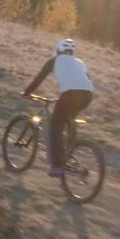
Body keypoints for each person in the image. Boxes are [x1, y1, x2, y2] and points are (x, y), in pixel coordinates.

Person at [23, 39, 94, 178]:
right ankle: (68, 152)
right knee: (69, 120)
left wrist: (27, 92)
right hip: (88, 95)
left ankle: (57, 166)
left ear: (58, 50)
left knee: (55, 126)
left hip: (70, 94)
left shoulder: (54, 61)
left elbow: (39, 78)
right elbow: (85, 80)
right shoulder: (79, 62)